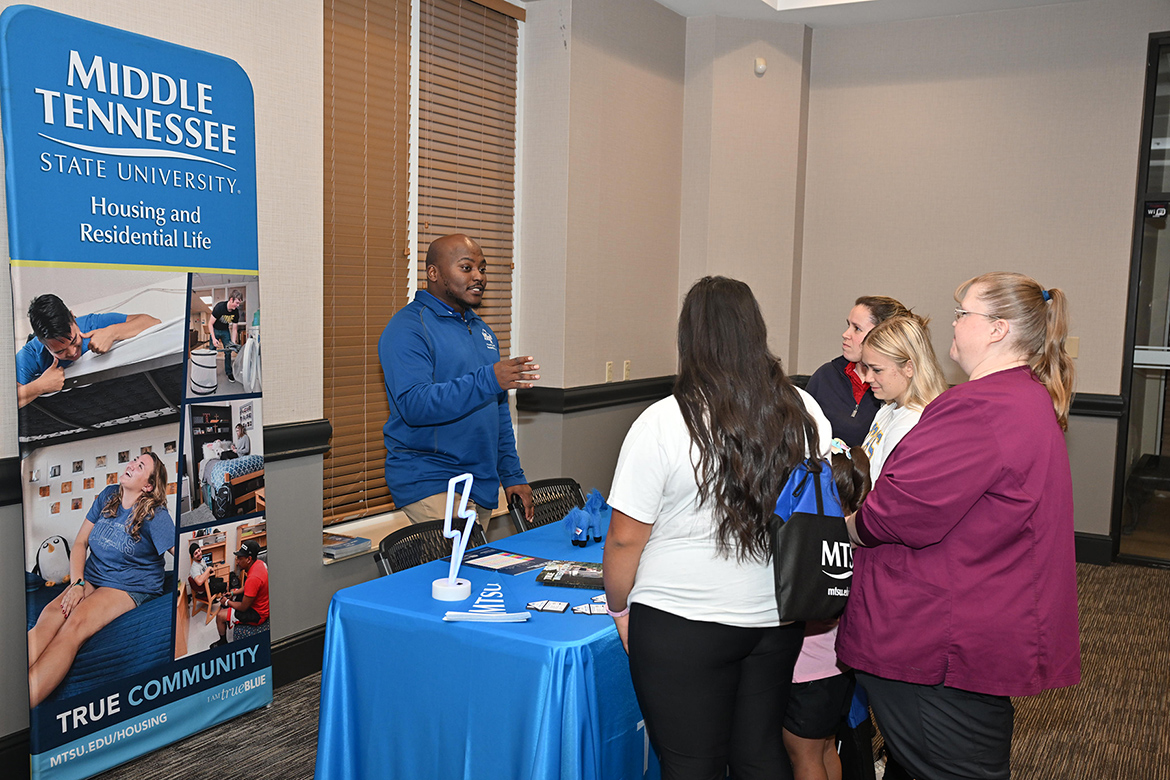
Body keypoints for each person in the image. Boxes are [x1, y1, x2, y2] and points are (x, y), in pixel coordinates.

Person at [837, 272, 1081, 780]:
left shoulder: (979, 407)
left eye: (962, 312)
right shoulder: (1026, 396)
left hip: (938, 639)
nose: (952, 322)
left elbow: (898, 511)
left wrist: (850, 525)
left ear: (997, 329)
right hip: (978, 625)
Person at [603, 276, 832, 780]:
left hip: (682, 621)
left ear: (691, 340)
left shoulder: (663, 422)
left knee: (691, 763)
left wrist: (618, 607)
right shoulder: (806, 411)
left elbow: (624, 538)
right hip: (776, 616)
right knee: (760, 754)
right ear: (755, 332)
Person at [379, 234, 538, 528]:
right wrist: (489, 378)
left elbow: (498, 412)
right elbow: (415, 405)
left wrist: (512, 474)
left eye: (482, 268)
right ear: (434, 273)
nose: (479, 277)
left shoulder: (483, 331)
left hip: (480, 482)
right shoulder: (407, 328)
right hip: (432, 478)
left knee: (473, 572)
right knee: (456, 571)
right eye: (467, 268)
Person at [27, 453, 174, 708]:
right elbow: (80, 543)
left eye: (140, 466)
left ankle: (20, 704)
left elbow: (182, 548)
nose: (131, 464)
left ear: (148, 485)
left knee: (74, 625)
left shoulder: (155, 515)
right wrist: (77, 585)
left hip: (129, 584)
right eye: (134, 460)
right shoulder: (108, 496)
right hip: (94, 574)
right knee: (51, 614)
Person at [782, 443, 872, 780]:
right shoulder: (855, 538)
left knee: (802, 757)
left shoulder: (809, 544)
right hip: (840, 665)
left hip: (807, 671)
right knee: (826, 747)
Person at [16, 293, 161, 407]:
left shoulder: (92, 323)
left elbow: (153, 322)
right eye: (60, 351)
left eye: (74, 341)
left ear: (73, 318)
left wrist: (112, 332)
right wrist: (39, 387)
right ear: (42, 343)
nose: (72, 352)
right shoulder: (32, 353)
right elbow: (4, 403)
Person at [805, 296, 912, 446]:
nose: (845, 334)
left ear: (883, 336)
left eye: (857, 328)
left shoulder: (896, 389)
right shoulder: (826, 375)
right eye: (848, 325)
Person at [857, 314, 949, 479]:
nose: (868, 378)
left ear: (909, 368)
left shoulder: (913, 424)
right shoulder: (888, 408)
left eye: (876, 370)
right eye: (866, 368)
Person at [212, 539, 269, 647]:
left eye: (240, 558)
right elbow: (248, 587)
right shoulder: (259, 564)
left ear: (249, 559)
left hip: (257, 614)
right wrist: (233, 594)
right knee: (234, 591)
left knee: (220, 616)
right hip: (261, 603)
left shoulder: (253, 578)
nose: (237, 561)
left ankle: (223, 642)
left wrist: (227, 602)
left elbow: (243, 607)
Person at [209, 290, 244, 383]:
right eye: (236, 303)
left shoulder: (235, 312)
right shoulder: (219, 307)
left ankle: (229, 372)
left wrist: (232, 343)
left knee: (228, 352)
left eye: (239, 303)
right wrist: (213, 338)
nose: (237, 305)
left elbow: (234, 329)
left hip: (225, 331)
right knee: (212, 352)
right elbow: (210, 324)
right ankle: (210, 371)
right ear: (231, 299)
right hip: (215, 329)